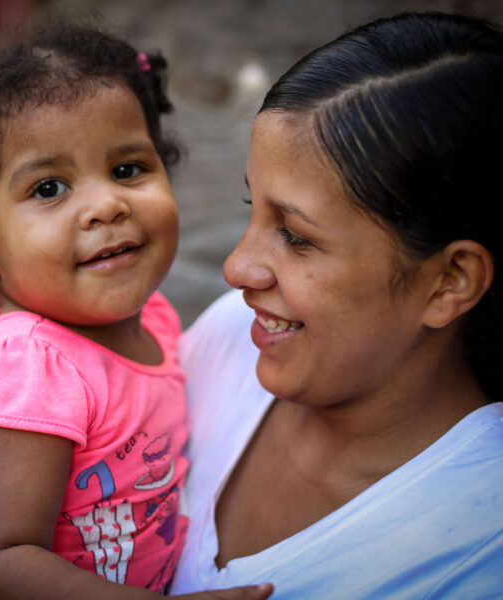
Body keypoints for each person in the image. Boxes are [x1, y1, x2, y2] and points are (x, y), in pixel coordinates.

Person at [0, 21, 273, 600]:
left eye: (127, 169)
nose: (105, 205)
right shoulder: (24, 365)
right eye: (48, 188)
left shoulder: (158, 322)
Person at [171, 11, 503, 599]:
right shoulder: (227, 339)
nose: (236, 269)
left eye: (296, 236)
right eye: (254, 207)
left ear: (450, 281)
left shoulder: (478, 549)